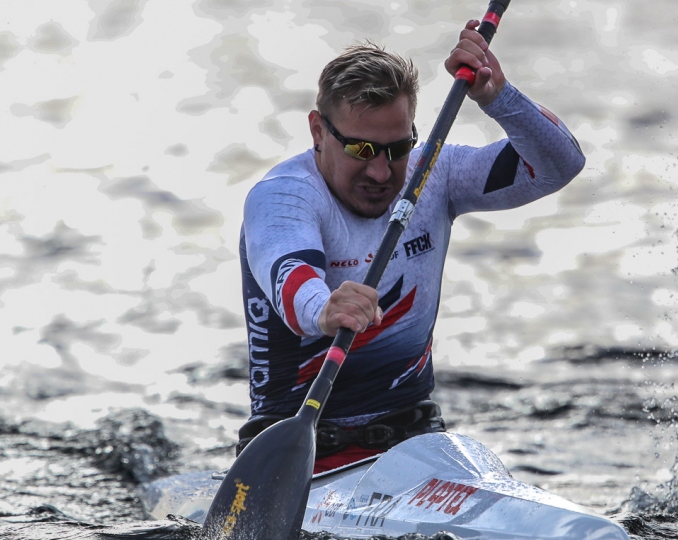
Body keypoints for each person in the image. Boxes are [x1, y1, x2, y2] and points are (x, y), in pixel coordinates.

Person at [237, 20, 585, 472]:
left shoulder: (433, 174)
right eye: (362, 150)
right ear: (318, 132)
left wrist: (499, 97)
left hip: (414, 443)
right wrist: (324, 309)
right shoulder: (283, 196)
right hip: (298, 455)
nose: (382, 173)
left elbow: (562, 164)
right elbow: (289, 276)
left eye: (398, 148)